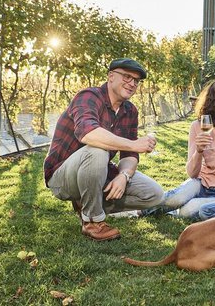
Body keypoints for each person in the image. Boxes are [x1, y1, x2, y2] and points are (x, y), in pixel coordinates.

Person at [43, 58, 163, 241]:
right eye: (127, 77)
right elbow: (87, 133)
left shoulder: (130, 111)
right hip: (62, 176)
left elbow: (129, 155)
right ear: (111, 76)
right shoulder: (89, 97)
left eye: (136, 81)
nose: (132, 83)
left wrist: (124, 176)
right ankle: (92, 221)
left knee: (154, 194)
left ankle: (88, 203)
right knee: (97, 150)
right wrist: (133, 144)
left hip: (98, 170)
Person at [143, 76, 215, 218]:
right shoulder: (198, 126)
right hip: (202, 182)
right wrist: (198, 151)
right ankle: (138, 211)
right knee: (176, 199)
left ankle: (175, 211)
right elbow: (192, 173)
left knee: (188, 211)